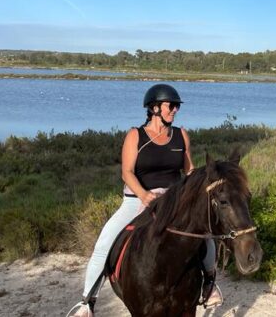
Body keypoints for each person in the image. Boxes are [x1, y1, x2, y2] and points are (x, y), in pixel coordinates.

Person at [66, 83, 222, 316]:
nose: (175, 110)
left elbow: (189, 171)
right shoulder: (135, 136)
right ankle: (87, 302)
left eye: (177, 106)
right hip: (137, 199)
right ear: (155, 108)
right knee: (104, 243)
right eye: (172, 105)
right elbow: (127, 172)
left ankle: (209, 285)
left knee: (204, 236)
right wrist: (143, 195)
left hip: (172, 202)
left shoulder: (181, 136)